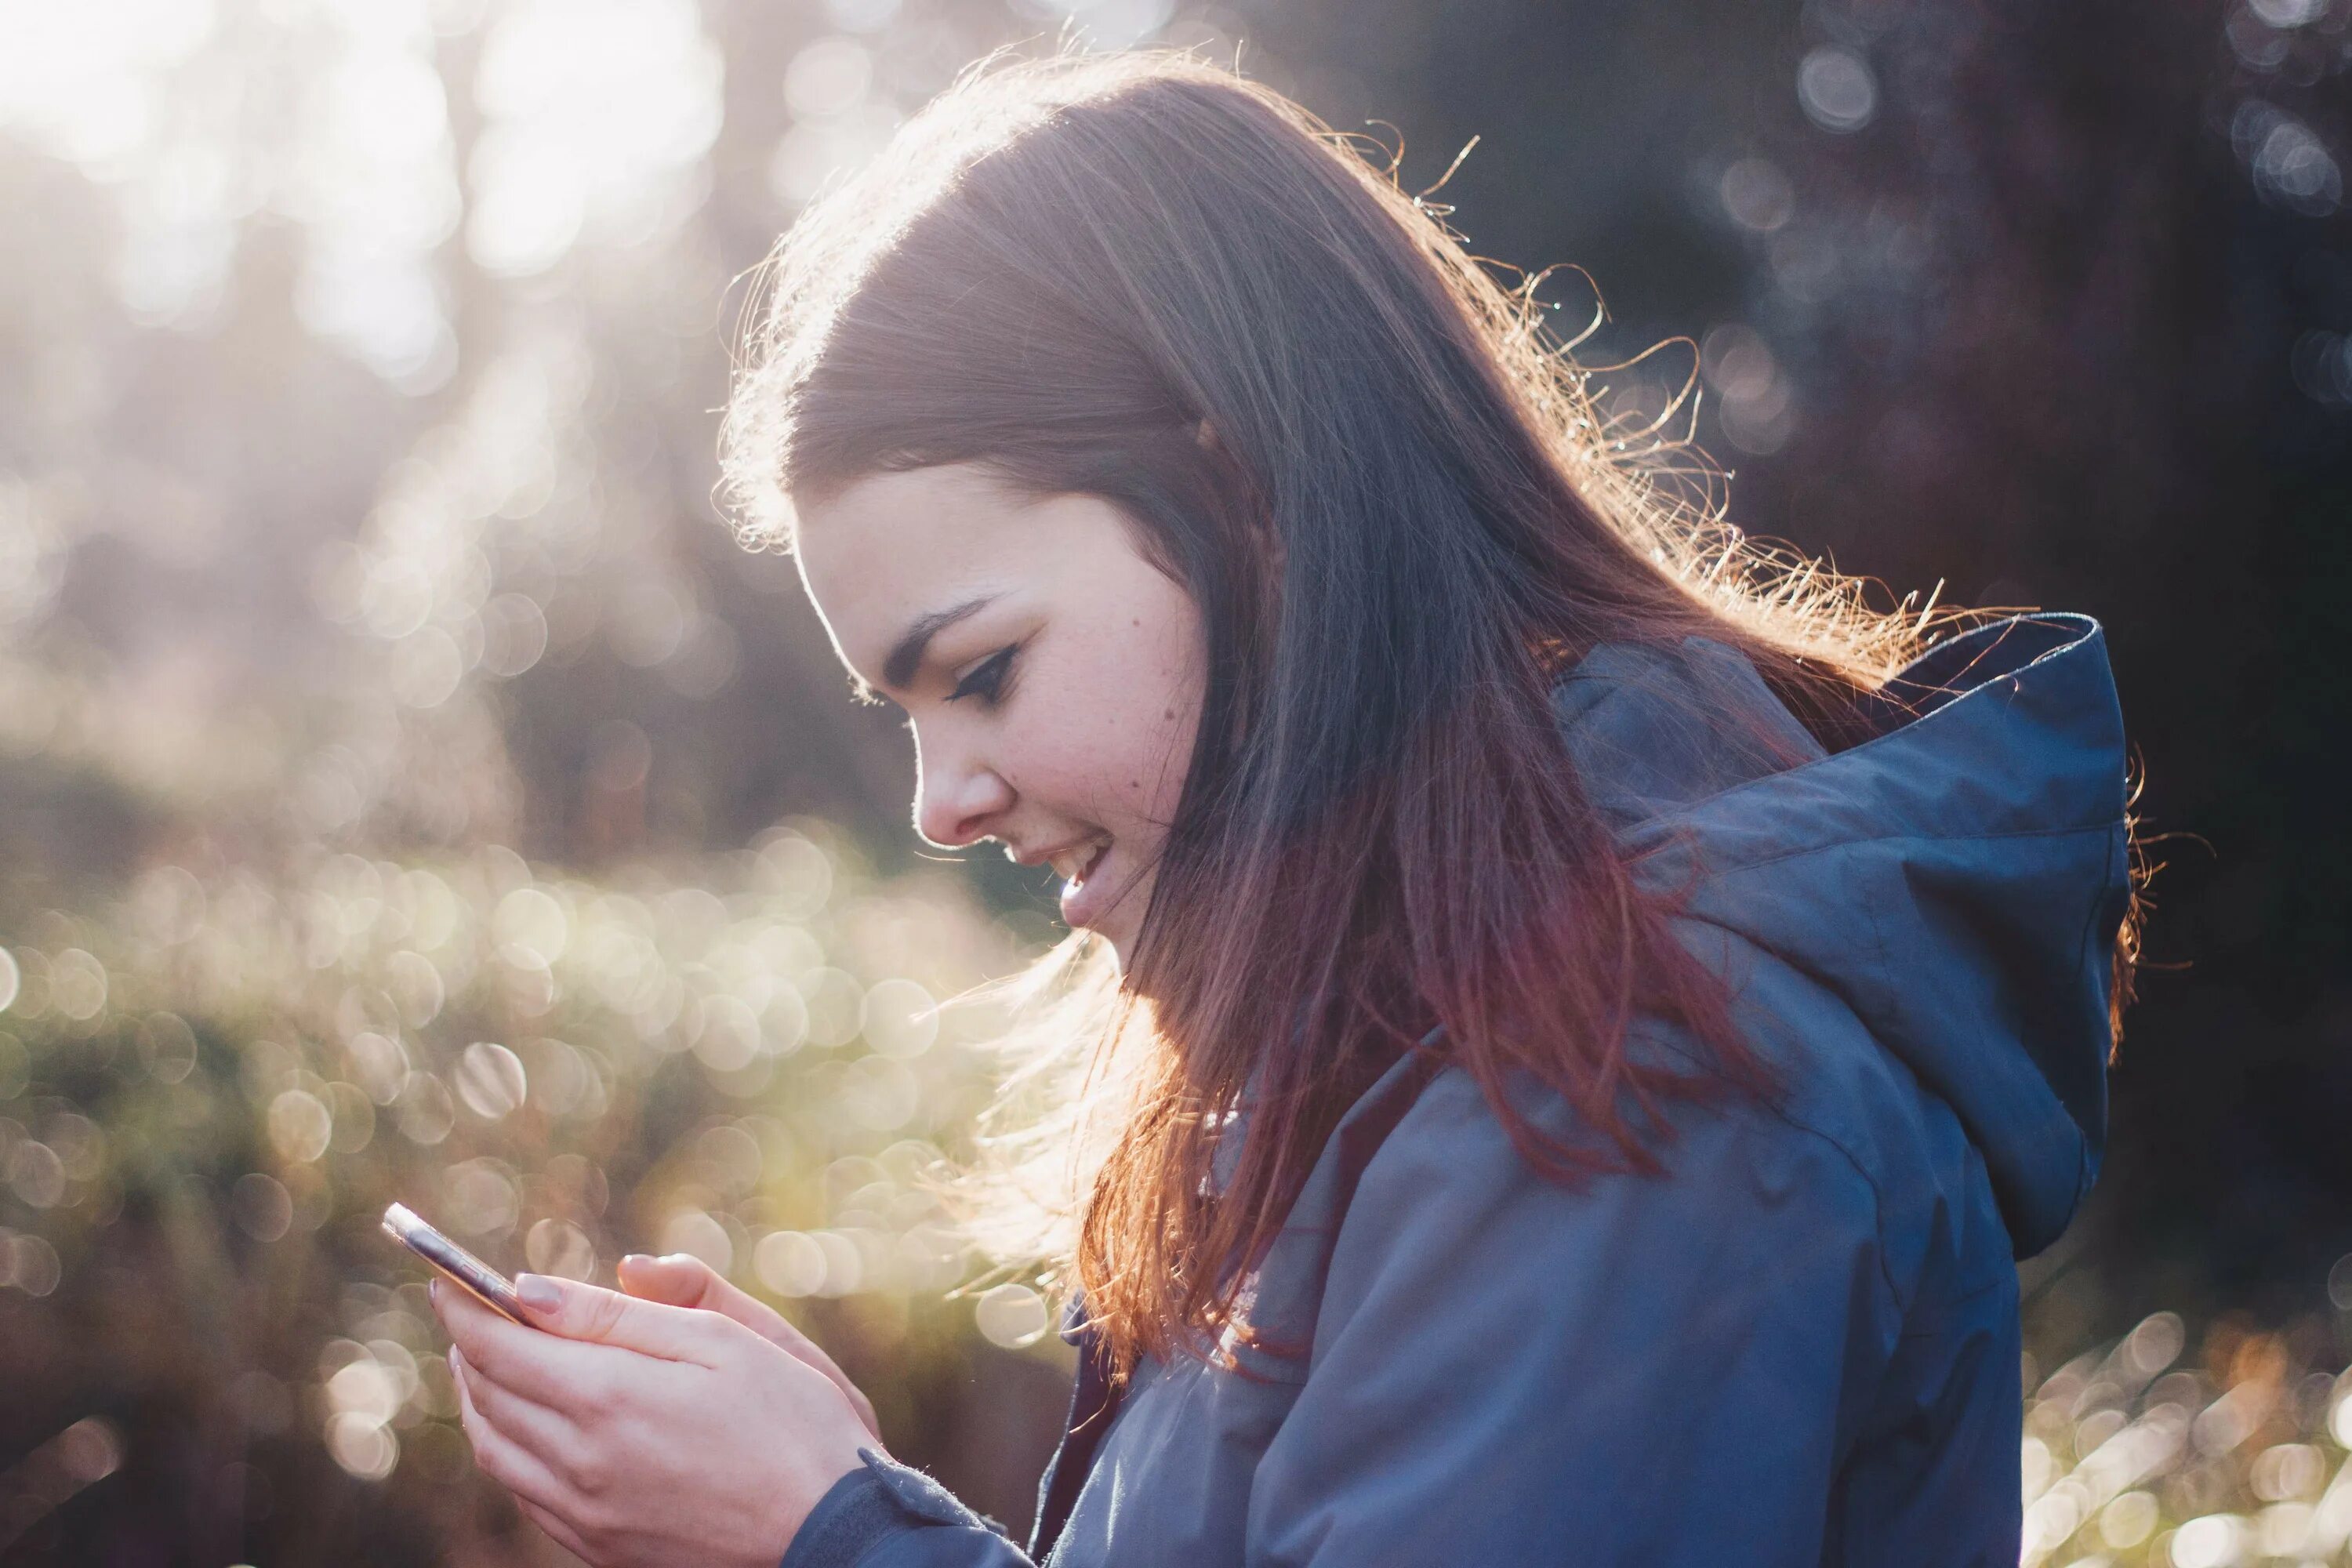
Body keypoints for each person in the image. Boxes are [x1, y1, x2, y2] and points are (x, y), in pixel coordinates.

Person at [430, 47, 2140, 1568]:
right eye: (907, 712)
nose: (944, 803)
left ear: (1247, 498)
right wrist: (828, 1496)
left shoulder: (1634, 1082)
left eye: (985, 671)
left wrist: (826, 1533)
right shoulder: (1447, 1028)